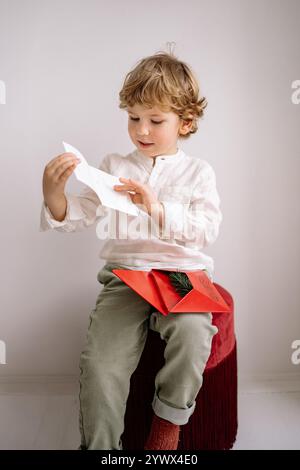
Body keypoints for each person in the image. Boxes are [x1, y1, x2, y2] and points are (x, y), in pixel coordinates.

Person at [40, 49, 223, 450]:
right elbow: (80, 214)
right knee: (101, 363)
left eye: (156, 120)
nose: (142, 129)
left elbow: (205, 230)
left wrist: (155, 207)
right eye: (134, 117)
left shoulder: (199, 173)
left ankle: (168, 425)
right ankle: (101, 448)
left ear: (186, 122)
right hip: (127, 278)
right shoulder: (114, 166)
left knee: (194, 334)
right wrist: (54, 193)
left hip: (181, 276)